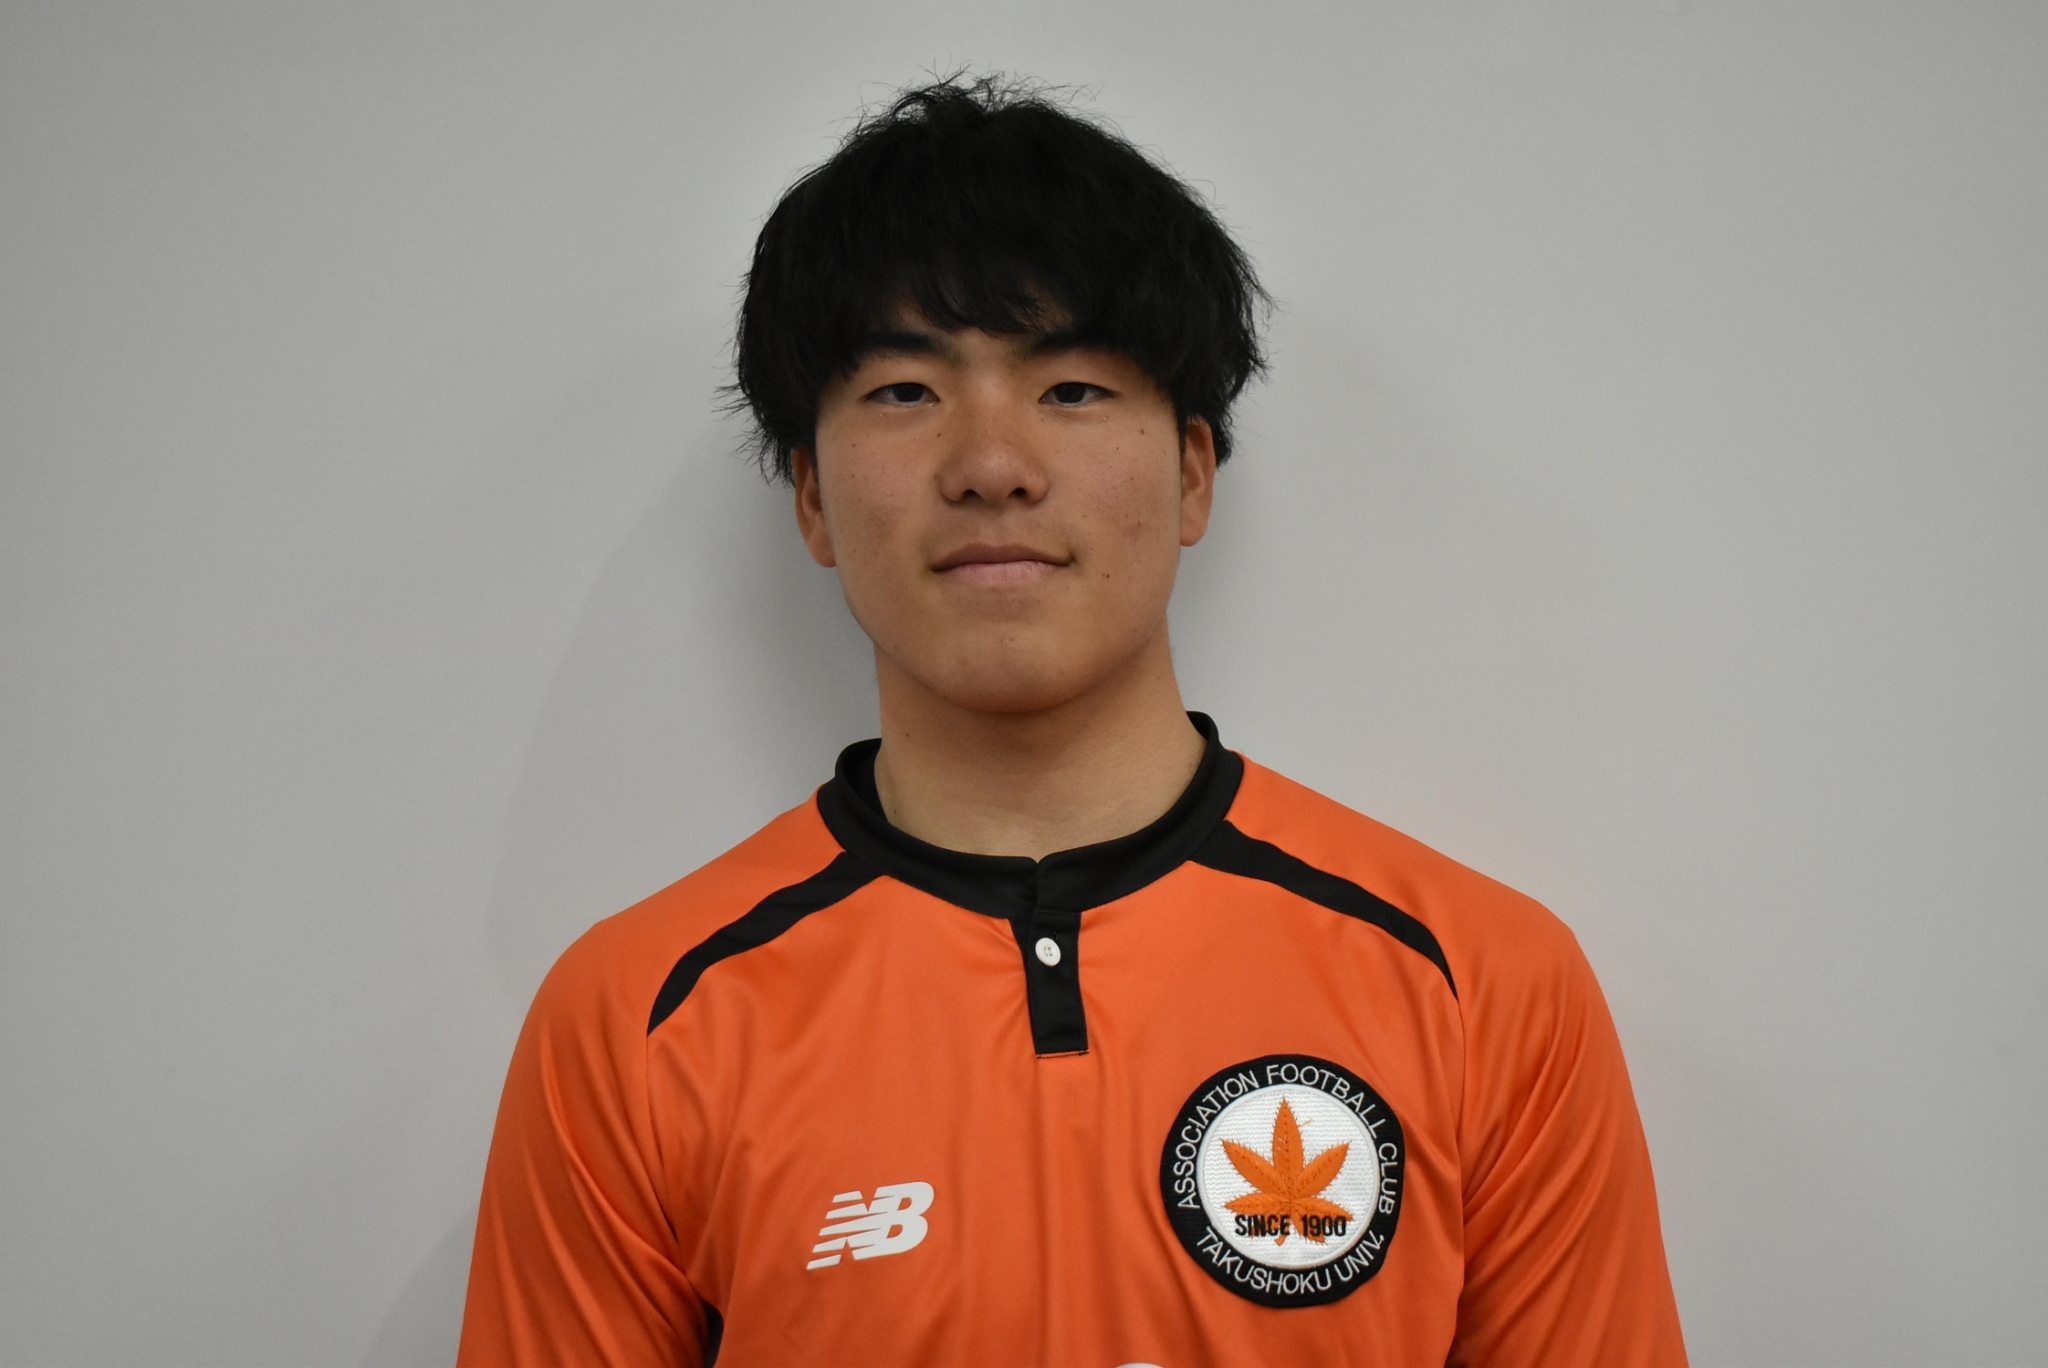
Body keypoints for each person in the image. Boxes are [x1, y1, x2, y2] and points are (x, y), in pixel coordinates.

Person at [458, 74, 1686, 1367]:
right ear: (811, 496)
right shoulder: (639, 1023)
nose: (993, 465)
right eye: (905, 391)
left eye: (1074, 389)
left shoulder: (1481, 986)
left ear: (1194, 472)